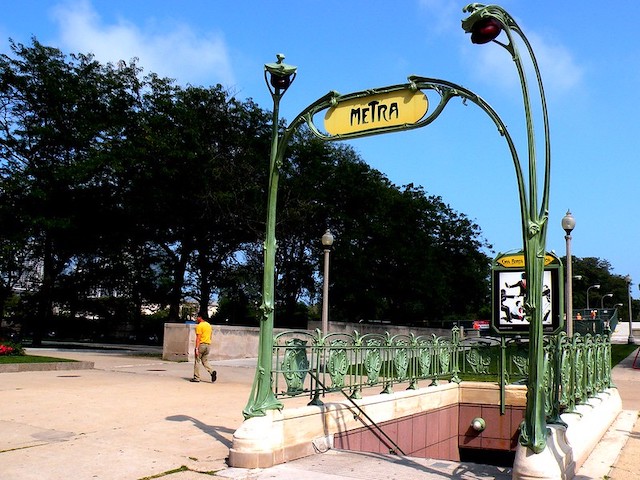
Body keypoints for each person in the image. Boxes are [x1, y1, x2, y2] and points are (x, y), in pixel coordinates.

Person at [191, 314, 217, 383]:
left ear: (200, 317)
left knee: (197, 360)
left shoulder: (199, 326)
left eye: (197, 317)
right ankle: (212, 371)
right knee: (205, 361)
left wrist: (196, 348)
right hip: (208, 345)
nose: (196, 319)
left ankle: (196, 377)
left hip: (201, 345)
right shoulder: (209, 325)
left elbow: (198, 338)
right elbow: (210, 335)